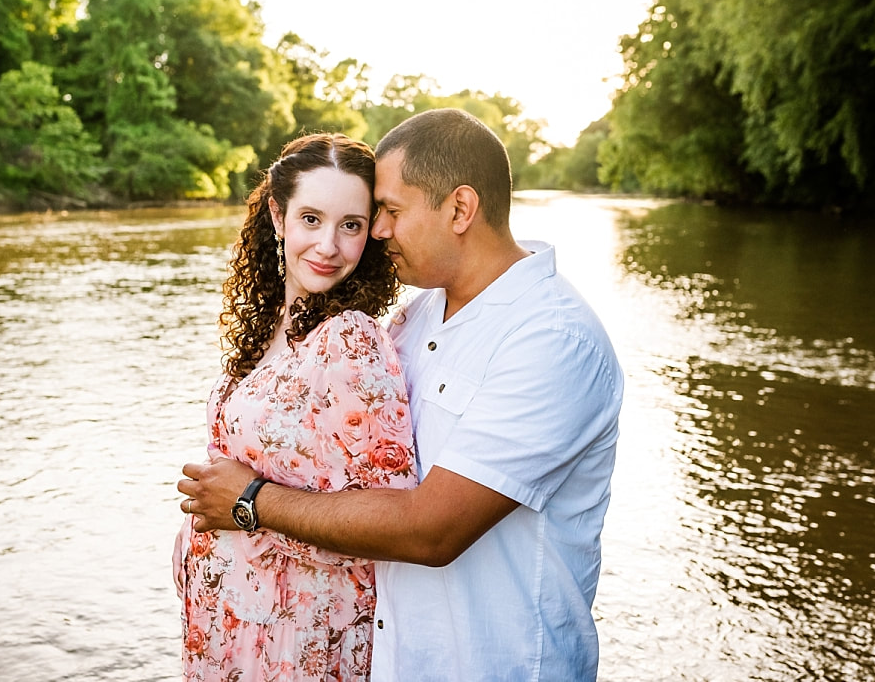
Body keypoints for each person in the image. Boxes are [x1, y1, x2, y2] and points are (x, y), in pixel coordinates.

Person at [179, 108, 624, 681]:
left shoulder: (553, 340)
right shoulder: (416, 318)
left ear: (460, 209)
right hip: (395, 660)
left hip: (494, 666)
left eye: (388, 212)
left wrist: (253, 501)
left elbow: (431, 528)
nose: (377, 232)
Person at [172, 133, 419, 681]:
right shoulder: (268, 333)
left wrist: (248, 505)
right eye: (311, 219)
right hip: (231, 626)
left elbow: (390, 516)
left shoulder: (352, 340)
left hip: (299, 636)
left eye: (350, 225)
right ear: (279, 217)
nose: (329, 245)